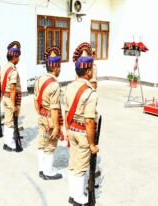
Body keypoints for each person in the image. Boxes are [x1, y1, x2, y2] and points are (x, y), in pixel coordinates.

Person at [64, 42, 99, 205]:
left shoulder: (69, 87)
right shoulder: (90, 92)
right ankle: (78, 197)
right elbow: (89, 121)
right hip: (83, 133)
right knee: (81, 166)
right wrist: (92, 144)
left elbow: (66, 113)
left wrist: (66, 131)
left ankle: (73, 193)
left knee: (73, 163)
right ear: (88, 71)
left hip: (71, 129)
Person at [34, 46, 63, 180]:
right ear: (56, 68)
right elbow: (55, 108)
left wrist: (40, 114)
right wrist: (56, 126)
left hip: (41, 115)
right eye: (60, 67)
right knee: (51, 144)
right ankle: (48, 172)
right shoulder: (55, 85)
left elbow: (35, 99)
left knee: (42, 142)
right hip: (51, 118)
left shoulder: (39, 79)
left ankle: (41, 168)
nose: (60, 70)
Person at [1, 41, 23, 152]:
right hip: (11, 98)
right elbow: (13, 88)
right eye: (18, 57)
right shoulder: (13, 71)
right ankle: (10, 144)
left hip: (5, 96)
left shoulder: (5, 67)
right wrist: (14, 104)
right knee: (10, 121)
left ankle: (7, 141)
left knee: (7, 120)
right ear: (14, 57)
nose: (19, 59)